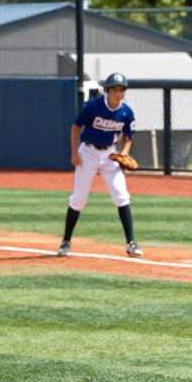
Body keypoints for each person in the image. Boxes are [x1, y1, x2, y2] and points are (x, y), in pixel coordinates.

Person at [57, 72, 142, 258]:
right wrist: (74, 153)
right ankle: (66, 241)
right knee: (78, 200)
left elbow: (129, 137)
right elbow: (76, 127)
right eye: (114, 89)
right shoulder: (93, 107)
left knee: (122, 196)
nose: (118, 93)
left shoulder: (126, 111)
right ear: (107, 90)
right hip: (87, 153)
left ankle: (131, 244)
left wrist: (125, 151)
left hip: (110, 155)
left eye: (121, 89)